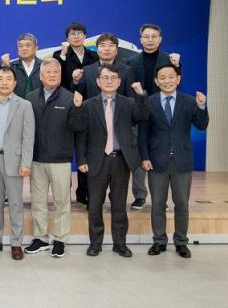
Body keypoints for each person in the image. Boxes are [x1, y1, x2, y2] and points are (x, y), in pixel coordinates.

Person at [76, 64, 149, 258]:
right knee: (94, 205)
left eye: (113, 78)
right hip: (96, 160)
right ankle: (95, 244)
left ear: (119, 81)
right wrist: (81, 159)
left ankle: (120, 243)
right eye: (105, 77)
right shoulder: (88, 105)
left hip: (120, 161)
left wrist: (141, 95)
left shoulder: (129, 103)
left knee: (119, 205)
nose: (109, 81)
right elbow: (82, 135)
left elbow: (143, 116)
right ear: (98, 81)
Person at [139, 63, 208, 258]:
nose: (167, 81)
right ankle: (159, 241)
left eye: (171, 76)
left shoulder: (189, 101)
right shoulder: (149, 102)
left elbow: (201, 125)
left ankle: (181, 242)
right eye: (162, 77)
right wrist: (144, 157)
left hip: (181, 161)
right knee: (157, 204)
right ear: (156, 81)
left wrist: (201, 106)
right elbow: (142, 134)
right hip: (156, 161)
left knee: (182, 204)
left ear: (178, 79)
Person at [25, 59, 85, 258]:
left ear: (61, 75)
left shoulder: (70, 98)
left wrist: (78, 108)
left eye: (55, 72)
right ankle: (41, 238)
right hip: (37, 159)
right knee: (38, 202)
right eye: (48, 72)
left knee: (62, 202)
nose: (52, 75)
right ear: (40, 76)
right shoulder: (30, 98)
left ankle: (60, 240)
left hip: (60, 160)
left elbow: (79, 128)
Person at [71, 33, 137, 206]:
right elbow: (79, 96)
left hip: (118, 129)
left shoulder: (126, 70)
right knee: (90, 170)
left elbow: (131, 101)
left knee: (118, 184)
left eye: (110, 45)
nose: (106, 49)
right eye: (102, 45)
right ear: (97, 48)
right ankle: (88, 198)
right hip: (93, 128)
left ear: (116, 49)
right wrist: (75, 83)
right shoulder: (88, 70)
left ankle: (115, 201)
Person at [0, 66, 35, 260]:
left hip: (14, 161)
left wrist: (26, 162)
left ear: (15, 83)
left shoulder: (24, 105)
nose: (4, 82)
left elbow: (28, 137)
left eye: (8, 79)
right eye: (0, 79)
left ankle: (16, 243)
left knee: (15, 204)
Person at [126, 24, 182, 210]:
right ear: (140, 39)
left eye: (154, 36)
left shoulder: (169, 60)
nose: (150, 39)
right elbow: (129, 89)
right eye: (146, 36)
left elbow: (176, 83)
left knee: (159, 154)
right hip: (139, 111)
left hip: (161, 111)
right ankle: (140, 195)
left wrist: (177, 66)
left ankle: (160, 199)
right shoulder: (131, 61)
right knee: (139, 154)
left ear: (160, 39)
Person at [52, 22, 98, 91]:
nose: (76, 37)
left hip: (90, 93)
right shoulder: (59, 55)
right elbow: (56, 75)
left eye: (79, 33)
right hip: (68, 93)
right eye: (72, 34)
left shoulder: (94, 55)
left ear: (85, 36)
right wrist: (63, 55)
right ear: (67, 39)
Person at [3, 33, 42, 98]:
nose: (24, 48)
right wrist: (5, 68)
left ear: (36, 48)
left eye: (28, 45)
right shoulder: (11, 66)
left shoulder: (44, 66)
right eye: (20, 46)